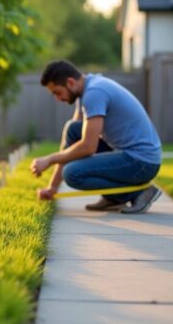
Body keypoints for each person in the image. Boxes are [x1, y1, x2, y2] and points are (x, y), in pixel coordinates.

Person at [29, 60, 162, 214]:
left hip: (142, 162)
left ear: (70, 82)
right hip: (132, 156)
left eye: (57, 92)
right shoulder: (87, 90)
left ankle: (139, 193)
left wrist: (49, 159)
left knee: (72, 173)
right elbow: (72, 140)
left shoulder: (94, 93)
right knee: (73, 129)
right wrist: (52, 188)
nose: (58, 99)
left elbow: (88, 147)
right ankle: (114, 198)